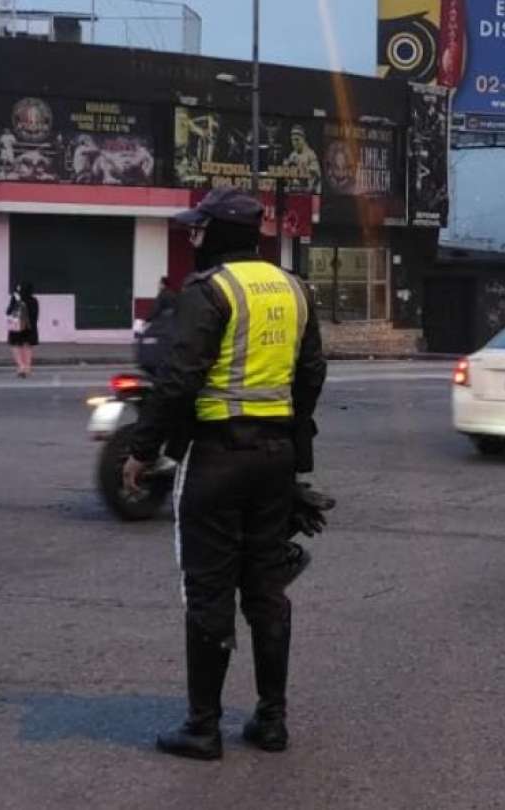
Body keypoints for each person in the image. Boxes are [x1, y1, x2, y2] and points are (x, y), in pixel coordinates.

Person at [123, 187, 328, 761]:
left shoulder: (209, 291)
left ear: (216, 235)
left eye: (197, 230)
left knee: (209, 589)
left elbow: (178, 379)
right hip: (274, 459)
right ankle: (271, 720)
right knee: (267, 591)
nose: (192, 239)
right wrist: (293, 454)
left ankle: (203, 727)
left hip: (216, 458)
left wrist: (141, 451)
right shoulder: (295, 290)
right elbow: (311, 375)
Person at [6, 282, 39, 378]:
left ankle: (21, 366)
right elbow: (35, 315)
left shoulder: (15, 298)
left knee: (16, 345)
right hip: (29, 327)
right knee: (27, 346)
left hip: (16, 326)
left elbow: (8, 311)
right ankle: (28, 367)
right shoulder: (34, 300)